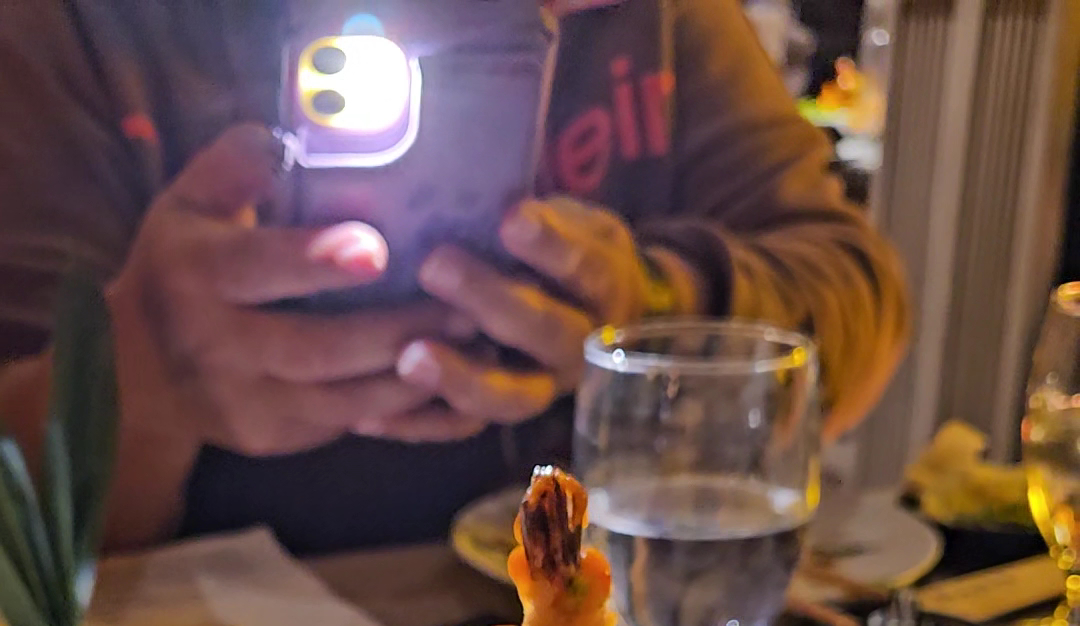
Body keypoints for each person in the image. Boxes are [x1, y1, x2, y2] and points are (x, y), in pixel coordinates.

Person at [0, 0, 909, 555]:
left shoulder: (654, 16)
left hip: (579, 619)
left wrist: (651, 309)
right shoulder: (76, 28)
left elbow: (861, 302)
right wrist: (138, 384)